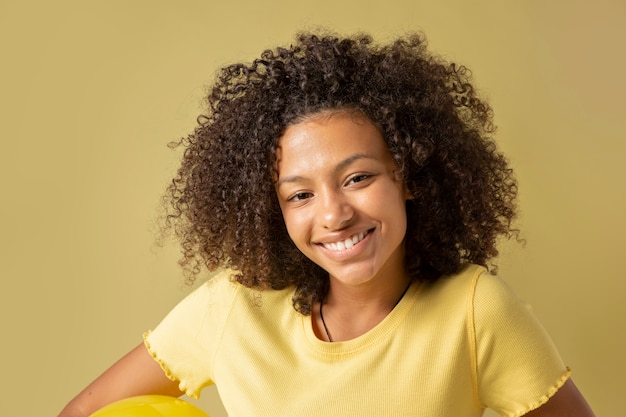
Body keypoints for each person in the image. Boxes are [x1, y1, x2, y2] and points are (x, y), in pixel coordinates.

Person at [58, 32, 595, 417]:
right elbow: (83, 411)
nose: (334, 214)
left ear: (407, 174)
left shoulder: (476, 313)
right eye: (300, 194)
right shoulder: (231, 308)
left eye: (358, 177)